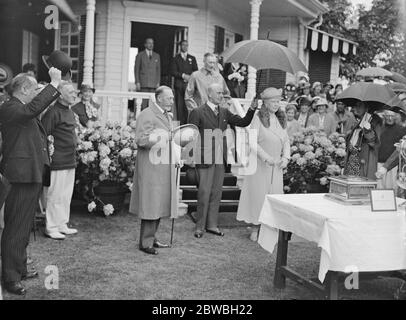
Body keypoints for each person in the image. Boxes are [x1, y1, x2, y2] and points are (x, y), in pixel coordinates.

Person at [0, 68, 62, 295]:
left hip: (30, 173)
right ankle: (10, 277)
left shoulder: (20, 109)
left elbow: (32, 119)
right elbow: (33, 109)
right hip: (20, 176)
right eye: (35, 88)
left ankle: (19, 268)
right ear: (24, 89)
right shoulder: (10, 107)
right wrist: (54, 83)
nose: (37, 92)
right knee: (16, 228)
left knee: (24, 226)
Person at [188, 83, 257, 238]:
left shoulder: (225, 111)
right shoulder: (198, 112)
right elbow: (190, 135)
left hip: (221, 157)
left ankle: (212, 225)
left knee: (216, 193)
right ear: (210, 94)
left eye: (222, 93)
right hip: (204, 157)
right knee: (204, 192)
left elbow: (243, 122)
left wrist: (252, 109)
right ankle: (200, 227)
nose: (221, 95)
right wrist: (191, 158)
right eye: (219, 93)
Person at [129, 86, 178, 255]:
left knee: (158, 203)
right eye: (169, 98)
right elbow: (141, 139)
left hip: (162, 164)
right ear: (159, 98)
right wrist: (163, 137)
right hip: (151, 166)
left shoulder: (166, 115)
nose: (172, 100)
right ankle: (145, 242)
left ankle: (152, 237)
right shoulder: (147, 114)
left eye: (172, 98)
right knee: (151, 203)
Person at [237, 88, 290, 241]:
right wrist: (266, 158)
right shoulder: (257, 118)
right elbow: (252, 142)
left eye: (278, 101)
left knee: (274, 196)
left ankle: (270, 227)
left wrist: (285, 158)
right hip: (260, 165)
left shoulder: (281, 119)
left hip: (277, 166)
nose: (276, 104)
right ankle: (255, 227)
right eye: (273, 101)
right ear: (265, 103)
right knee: (258, 196)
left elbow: (286, 141)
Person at [41, 81, 78, 240]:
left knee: (65, 195)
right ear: (60, 95)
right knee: (55, 195)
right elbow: (43, 135)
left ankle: (62, 223)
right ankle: (51, 227)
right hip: (57, 161)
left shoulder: (69, 111)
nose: (74, 94)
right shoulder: (53, 112)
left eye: (74, 91)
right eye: (70, 92)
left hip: (70, 159)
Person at [343, 102, 383, 179]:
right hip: (351, 165)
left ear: (367, 108)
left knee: (362, 189)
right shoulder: (357, 123)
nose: (356, 108)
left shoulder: (375, 122)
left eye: (359, 106)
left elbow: (374, 144)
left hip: (363, 165)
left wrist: (368, 131)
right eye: (355, 106)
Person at [375, 110, 406, 190]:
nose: (390, 118)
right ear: (384, 116)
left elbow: (401, 149)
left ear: (395, 117)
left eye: (392, 116)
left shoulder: (401, 129)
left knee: (390, 188)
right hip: (379, 161)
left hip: (393, 164)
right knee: (378, 187)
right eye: (388, 116)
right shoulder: (380, 128)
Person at [170, 40, 198, 125]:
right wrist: (183, 75)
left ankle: (188, 124)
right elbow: (173, 72)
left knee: (188, 106)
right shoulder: (176, 58)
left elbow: (196, 71)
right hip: (179, 86)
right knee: (179, 107)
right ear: (180, 46)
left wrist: (190, 77)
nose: (185, 47)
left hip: (189, 86)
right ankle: (180, 125)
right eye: (183, 45)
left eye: (186, 45)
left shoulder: (192, 58)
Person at [134, 38, 161, 109]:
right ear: (145, 44)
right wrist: (137, 82)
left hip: (153, 85)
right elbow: (136, 69)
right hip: (143, 84)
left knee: (152, 104)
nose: (151, 45)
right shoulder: (140, 55)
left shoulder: (157, 56)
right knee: (143, 104)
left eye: (152, 43)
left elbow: (158, 70)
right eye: (149, 43)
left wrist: (158, 82)